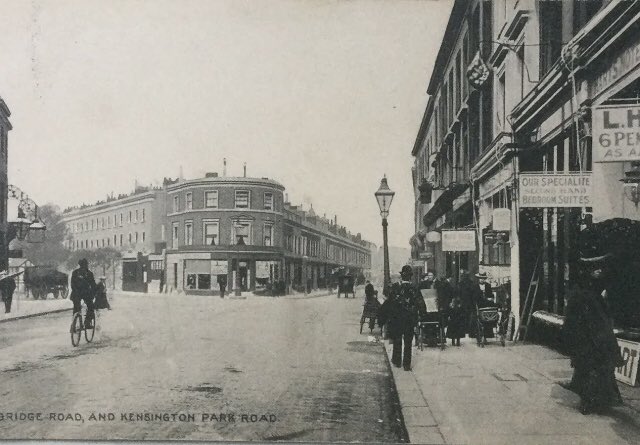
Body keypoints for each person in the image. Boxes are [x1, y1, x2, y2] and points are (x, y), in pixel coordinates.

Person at [563, 253, 624, 414]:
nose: (599, 272)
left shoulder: (594, 292)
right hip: (588, 338)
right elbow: (575, 320)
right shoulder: (582, 293)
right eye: (595, 269)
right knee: (590, 368)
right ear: (588, 272)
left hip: (598, 337)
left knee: (597, 368)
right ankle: (589, 401)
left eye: (600, 269)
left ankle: (600, 400)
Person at [378, 265, 426, 371]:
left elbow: (388, 303)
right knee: (408, 342)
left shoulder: (395, 287)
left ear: (401, 276)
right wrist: (421, 316)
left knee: (397, 340)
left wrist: (383, 317)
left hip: (397, 319)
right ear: (410, 277)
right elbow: (420, 304)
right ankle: (406, 365)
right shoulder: (414, 288)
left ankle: (397, 361)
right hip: (410, 319)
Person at [70, 258, 97, 328]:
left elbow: (72, 284)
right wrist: (94, 294)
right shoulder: (89, 273)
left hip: (79, 293)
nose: (85, 266)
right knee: (90, 307)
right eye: (85, 265)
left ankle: (75, 324)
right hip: (83, 293)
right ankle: (86, 323)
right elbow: (93, 285)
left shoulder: (75, 272)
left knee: (77, 308)